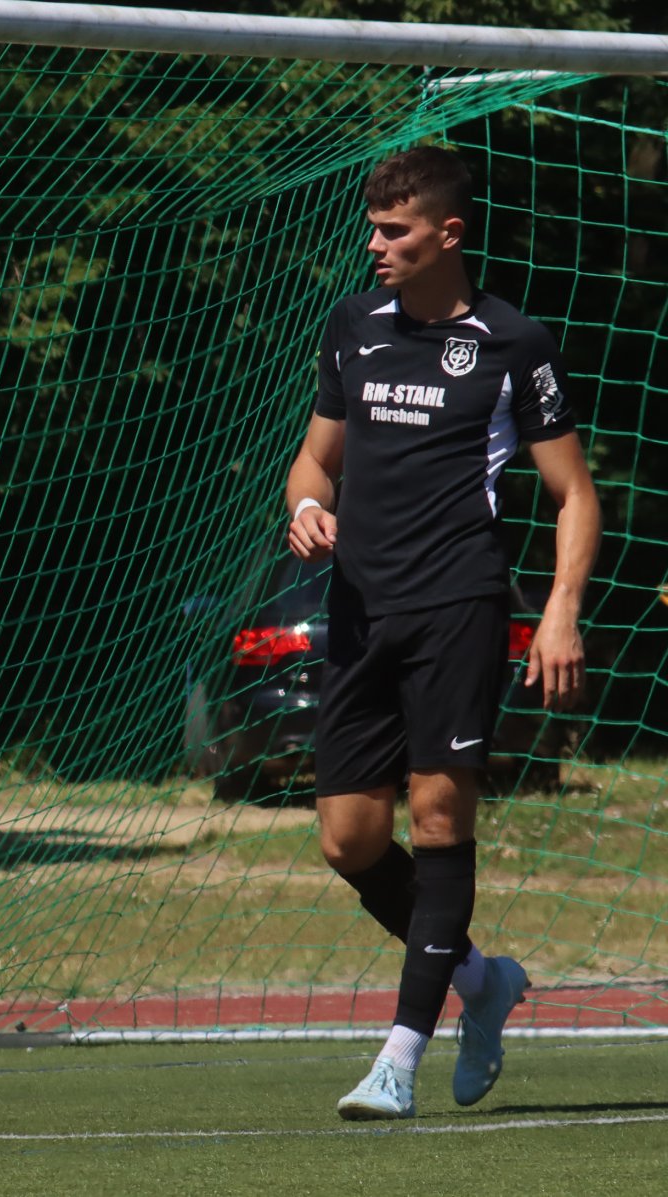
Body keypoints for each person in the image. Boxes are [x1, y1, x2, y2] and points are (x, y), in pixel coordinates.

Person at [284, 146, 599, 1120]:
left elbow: (573, 494)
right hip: (360, 615)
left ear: (447, 236)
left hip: (459, 609)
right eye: (373, 229)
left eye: (395, 232)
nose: (375, 246)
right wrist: (303, 504)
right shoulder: (354, 327)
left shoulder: (513, 345)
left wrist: (558, 610)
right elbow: (314, 460)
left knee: (437, 820)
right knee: (349, 841)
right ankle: (482, 979)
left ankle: (399, 1058)